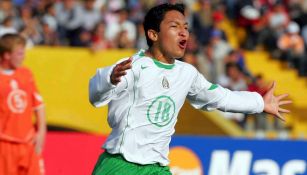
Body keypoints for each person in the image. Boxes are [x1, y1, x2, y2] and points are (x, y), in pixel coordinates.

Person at [89, 3, 291, 175]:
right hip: (120, 163)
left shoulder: (187, 73)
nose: (184, 32)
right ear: (153, 34)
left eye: (186, 27)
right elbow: (95, 95)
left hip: (156, 167)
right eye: (175, 26)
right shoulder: (132, 66)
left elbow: (221, 98)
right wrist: (110, 80)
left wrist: (259, 103)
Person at [0, 33, 46, 175]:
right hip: (4, 144)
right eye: (19, 53)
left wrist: (41, 132)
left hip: (28, 143)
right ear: (6, 55)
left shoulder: (26, 74)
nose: (23, 57)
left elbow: (38, 105)